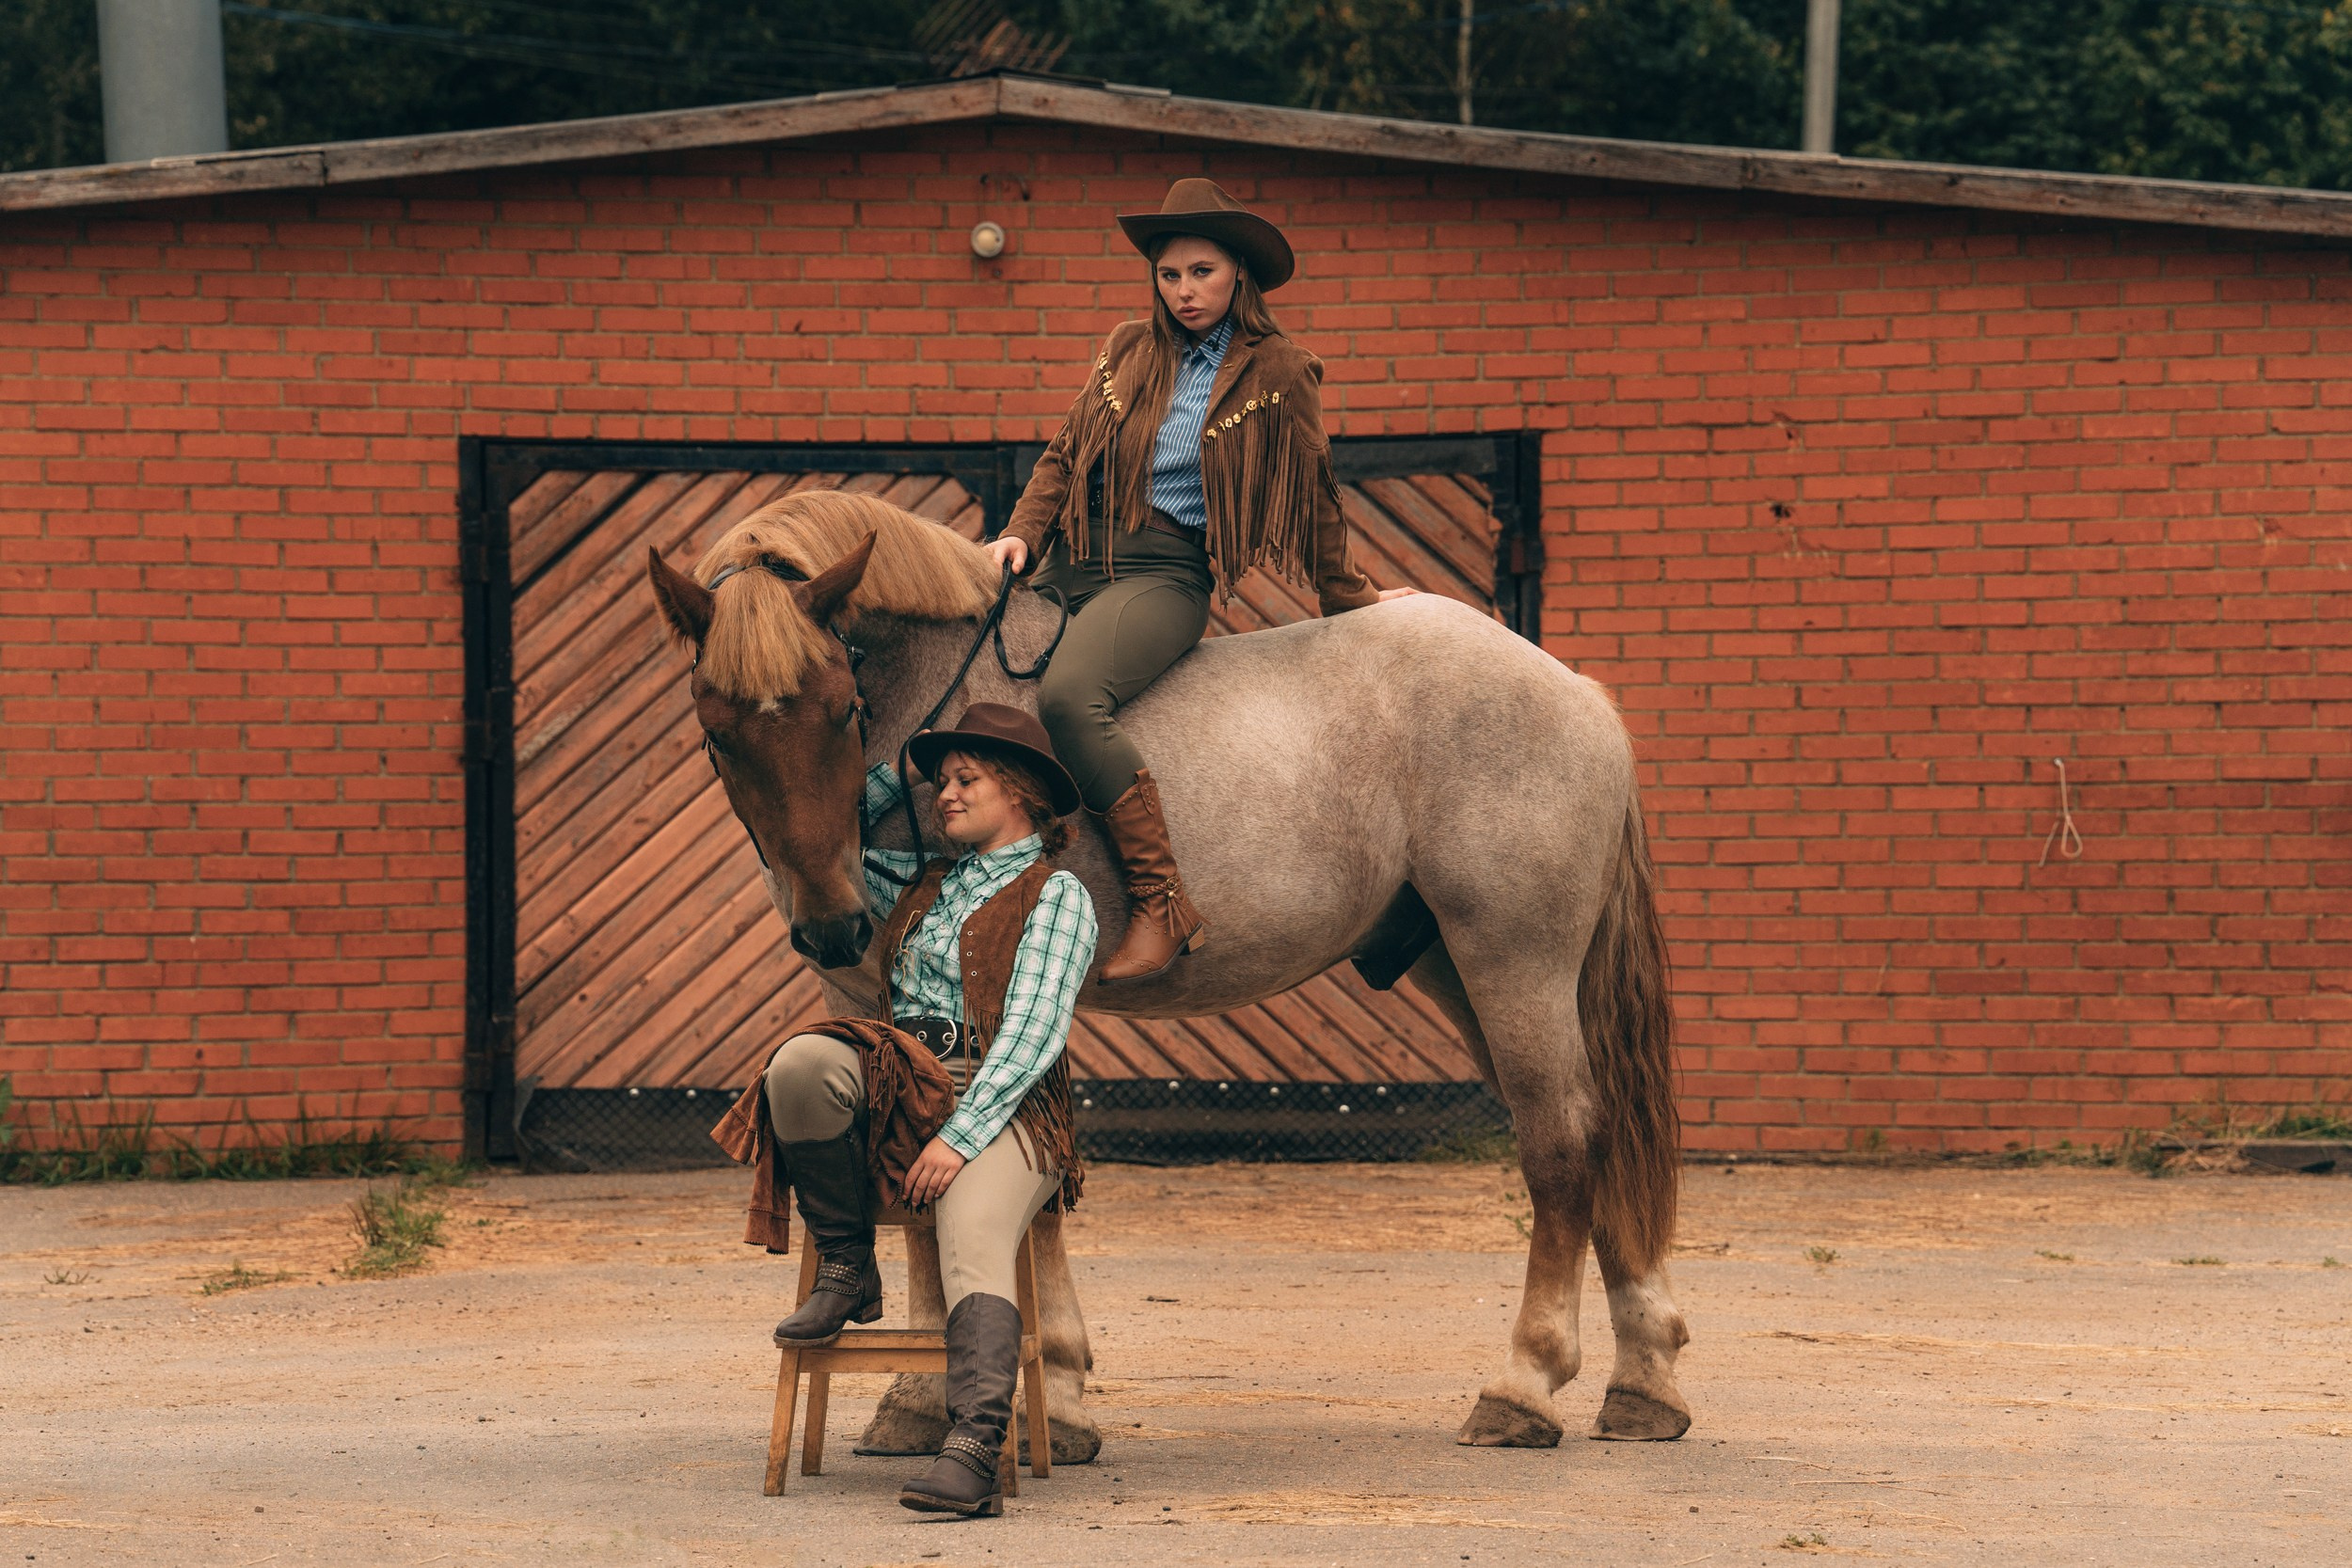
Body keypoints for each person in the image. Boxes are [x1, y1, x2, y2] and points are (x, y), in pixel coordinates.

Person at [990, 177, 1414, 984]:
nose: (1185, 291)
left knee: (1068, 700)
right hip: (1068, 561)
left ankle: (1161, 902)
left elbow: (1314, 488)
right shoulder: (1128, 350)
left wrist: (1347, 596)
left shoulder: (1278, 370)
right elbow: (1062, 456)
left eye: (1202, 272)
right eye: (1170, 274)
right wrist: (1018, 533)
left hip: (1160, 575)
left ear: (1239, 276)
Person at [758, 704, 1096, 1519]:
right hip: (902, 1084)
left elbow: (1034, 1036)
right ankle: (848, 1266)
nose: (945, 795)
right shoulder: (918, 883)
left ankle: (975, 1448)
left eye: (966, 779)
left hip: (1005, 1105)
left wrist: (960, 1135)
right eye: (941, 781)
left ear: (1018, 793)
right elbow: (830, 848)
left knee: (973, 1231)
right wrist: (902, 773)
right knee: (799, 1062)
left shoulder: (1058, 896)